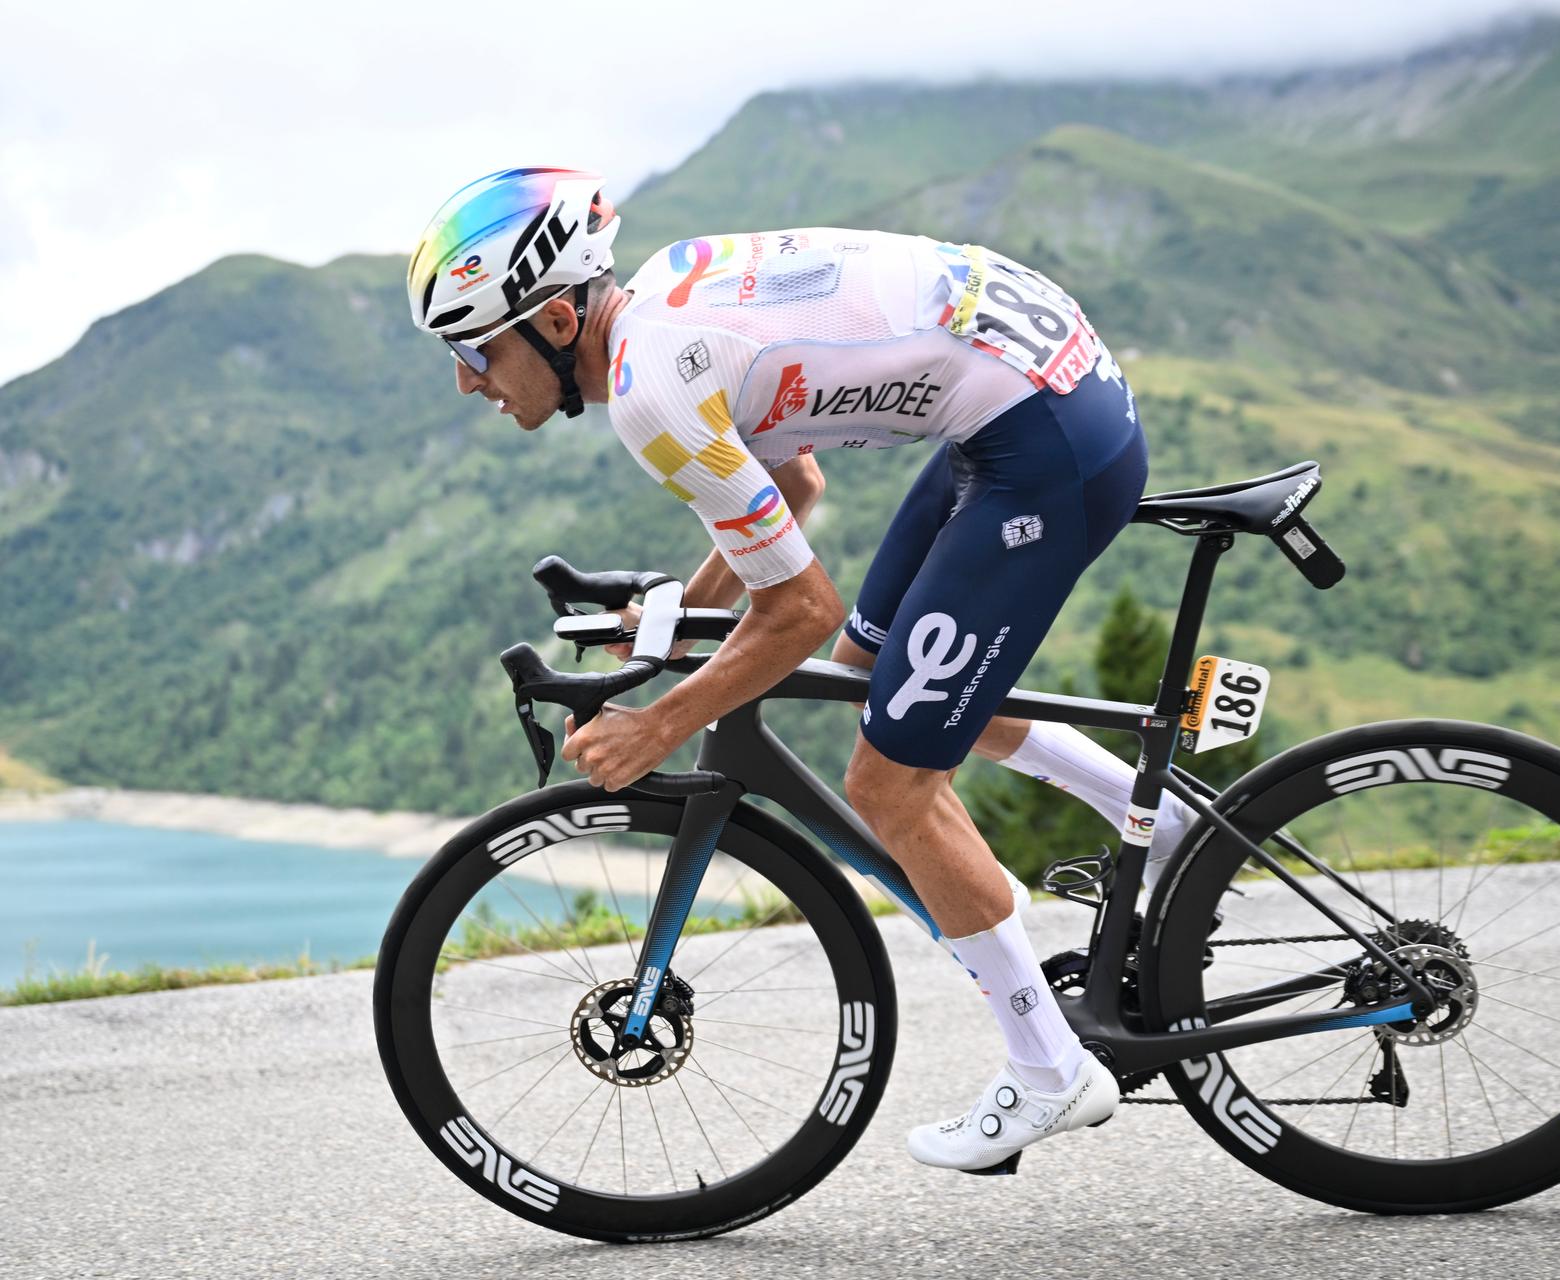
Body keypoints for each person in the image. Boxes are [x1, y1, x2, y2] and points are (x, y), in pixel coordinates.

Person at [406, 167, 1195, 1173]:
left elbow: (799, 609)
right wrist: (690, 618)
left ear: (558, 321)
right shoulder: (660, 303)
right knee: (879, 672)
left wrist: (657, 724)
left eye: (477, 350)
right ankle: (1151, 815)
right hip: (1025, 400)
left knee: (890, 782)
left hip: (1039, 439)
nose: (469, 379)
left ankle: (1052, 1070)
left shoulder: (653, 395)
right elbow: (792, 476)